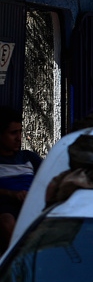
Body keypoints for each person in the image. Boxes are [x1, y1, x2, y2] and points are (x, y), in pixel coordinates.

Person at [0, 106, 40, 249]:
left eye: (20, 132)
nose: (18, 138)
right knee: (7, 221)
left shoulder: (29, 158)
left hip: (33, 207)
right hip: (7, 208)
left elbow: (49, 177)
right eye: (13, 133)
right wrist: (12, 194)